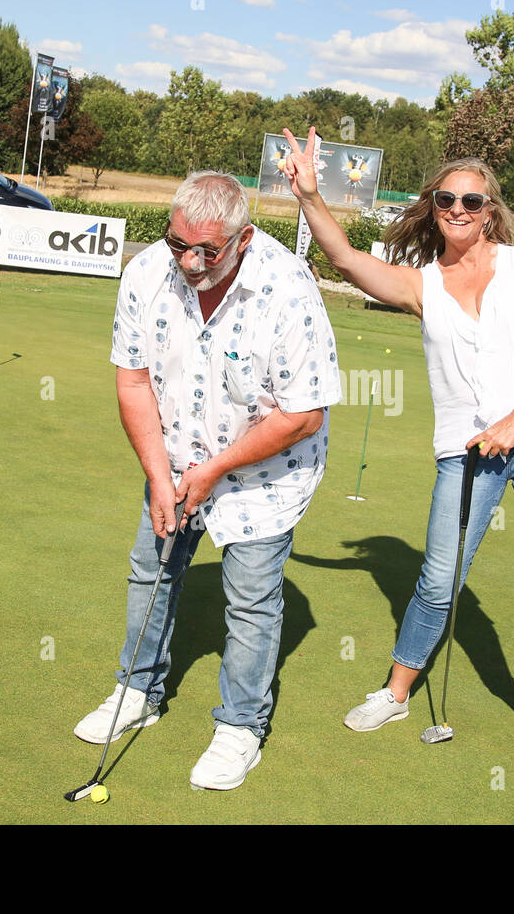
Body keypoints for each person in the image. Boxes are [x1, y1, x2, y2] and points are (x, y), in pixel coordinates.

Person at [280, 127, 514, 778]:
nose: (457, 210)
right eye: (446, 200)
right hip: (465, 449)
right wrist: (310, 195)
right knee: (437, 580)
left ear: (491, 211)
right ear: (435, 206)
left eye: (471, 202)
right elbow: (344, 261)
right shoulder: (423, 284)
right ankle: (396, 695)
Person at [75, 170, 342, 791]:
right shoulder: (146, 274)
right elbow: (134, 380)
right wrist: (160, 475)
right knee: (153, 568)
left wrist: (215, 469)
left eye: (208, 250)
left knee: (250, 599)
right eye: (178, 244)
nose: (190, 262)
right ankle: (137, 692)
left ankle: (241, 727)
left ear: (243, 238)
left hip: (265, 474)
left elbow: (303, 415)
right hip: (172, 456)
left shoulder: (288, 290)